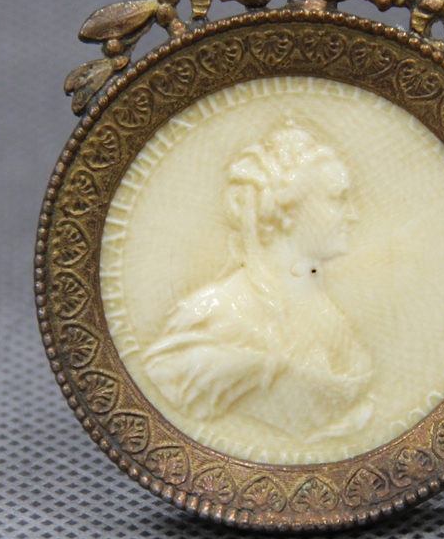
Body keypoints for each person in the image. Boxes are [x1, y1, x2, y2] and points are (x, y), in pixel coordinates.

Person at [143, 124, 374, 440]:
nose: (353, 215)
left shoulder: (325, 314)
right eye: (339, 199)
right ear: (287, 212)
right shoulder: (217, 317)